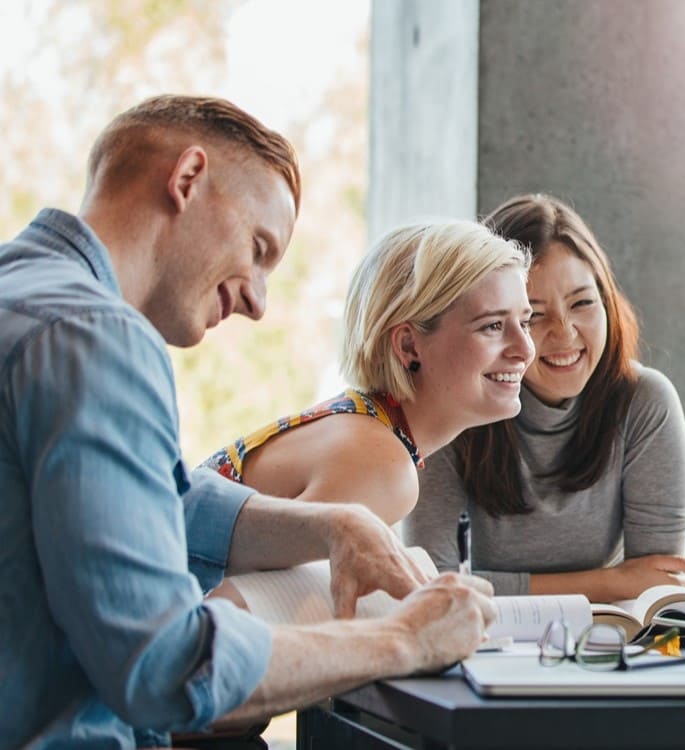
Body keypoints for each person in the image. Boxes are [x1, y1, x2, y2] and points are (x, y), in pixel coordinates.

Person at [0, 95, 498, 749]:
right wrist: (402, 638)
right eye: (259, 249)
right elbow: (164, 667)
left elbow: (151, 503)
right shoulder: (98, 338)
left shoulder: (25, 298)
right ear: (187, 180)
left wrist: (333, 525)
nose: (258, 303)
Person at [406, 194, 685, 602]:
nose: (564, 334)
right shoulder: (452, 403)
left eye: (582, 303)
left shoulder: (644, 402)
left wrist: (626, 585)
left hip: (606, 644)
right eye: (534, 315)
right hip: (479, 643)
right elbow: (433, 585)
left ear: (608, 302)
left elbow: (656, 584)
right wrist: (610, 582)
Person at [200, 219, 535, 526]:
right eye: (492, 326)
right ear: (408, 346)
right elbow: (228, 592)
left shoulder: (367, 427)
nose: (525, 349)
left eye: (525, 322)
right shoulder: (382, 467)